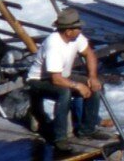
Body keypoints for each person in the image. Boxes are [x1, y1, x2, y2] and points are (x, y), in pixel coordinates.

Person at [27, 8, 105, 148]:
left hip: (62, 76)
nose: (80, 30)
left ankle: (87, 130)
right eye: (78, 28)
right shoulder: (54, 45)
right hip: (39, 80)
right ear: (68, 31)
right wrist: (77, 86)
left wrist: (92, 77)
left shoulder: (76, 38)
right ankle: (60, 137)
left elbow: (89, 54)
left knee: (95, 86)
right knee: (64, 92)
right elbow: (56, 79)